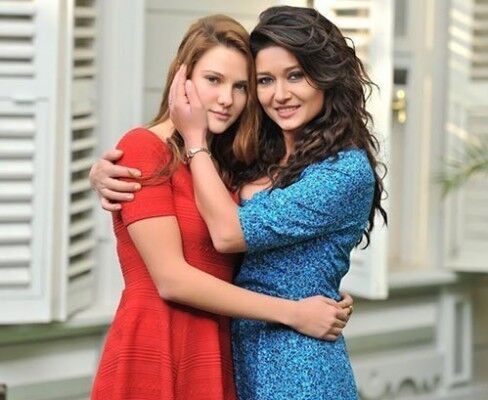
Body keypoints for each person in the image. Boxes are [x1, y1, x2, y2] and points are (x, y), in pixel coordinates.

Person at [90, 14, 353, 400]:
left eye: (241, 86)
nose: (227, 99)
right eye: (213, 80)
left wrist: (324, 289)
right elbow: (172, 279)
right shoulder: (144, 147)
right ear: (182, 78)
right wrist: (294, 312)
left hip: (216, 348)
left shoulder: (224, 165)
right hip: (156, 342)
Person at [168, 6, 388, 400]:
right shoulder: (255, 155)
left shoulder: (344, 171)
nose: (280, 95)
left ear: (326, 76)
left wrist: (196, 141)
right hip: (234, 359)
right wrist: (107, 169)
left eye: (296, 75)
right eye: (265, 80)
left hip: (300, 369)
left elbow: (228, 233)